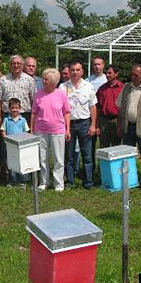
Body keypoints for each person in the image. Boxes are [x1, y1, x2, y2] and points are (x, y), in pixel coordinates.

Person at [0, 55, 36, 185]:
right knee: (7, 148)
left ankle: (24, 176)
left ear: (22, 65)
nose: (16, 65)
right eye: (14, 63)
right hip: (7, 117)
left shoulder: (29, 80)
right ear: (10, 65)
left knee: (24, 149)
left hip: (24, 116)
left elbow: (34, 100)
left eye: (19, 63)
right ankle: (8, 176)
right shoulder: (3, 80)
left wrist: (32, 121)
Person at [31, 68, 71, 191]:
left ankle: (59, 184)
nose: (43, 81)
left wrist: (67, 129)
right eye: (43, 78)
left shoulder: (61, 94)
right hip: (40, 130)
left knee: (58, 158)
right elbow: (34, 112)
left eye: (46, 79)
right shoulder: (38, 94)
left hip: (57, 130)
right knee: (42, 158)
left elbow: (67, 112)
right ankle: (44, 182)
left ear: (53, 81)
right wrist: (32, 129)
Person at [59, 61, 97, 189]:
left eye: (78, 70)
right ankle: (70, 181)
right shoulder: (62, 87)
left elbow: (93, 106)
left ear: (82, 72)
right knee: (68, 155)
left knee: (87, 154)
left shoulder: (88, 86)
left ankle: (88, 181)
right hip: (68, 124)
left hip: (84, 123)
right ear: (69, 72)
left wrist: (93, 125)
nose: (75, 72)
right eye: (73, 70)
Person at [0, 98, 30, 187]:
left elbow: (26, 131)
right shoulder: (6, 120)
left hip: (20, 145)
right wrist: (5, 138)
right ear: (9, 109)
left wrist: (24, 141)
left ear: (20, 108)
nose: (14, 110)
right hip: (10, 145)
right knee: (11, 162)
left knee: (21, 162)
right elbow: (3, 130)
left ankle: (22, 181)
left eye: (16, 108)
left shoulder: (23, 120)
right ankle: (12, 180)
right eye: (12, 108)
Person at [96, 65, 124, 148]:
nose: (107, 75)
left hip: (117, 120)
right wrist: (97, 125)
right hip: (104, 121)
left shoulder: (122, 88)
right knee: (104, 147)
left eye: (110, 73)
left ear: (116, 74)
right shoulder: (102, 89)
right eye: (106, 73)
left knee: (118, 147)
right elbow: (97, 107)